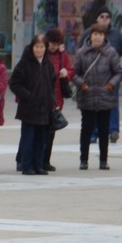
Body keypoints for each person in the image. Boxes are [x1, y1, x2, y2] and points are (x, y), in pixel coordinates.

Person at [72, 24, 122, 170]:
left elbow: (118, 72)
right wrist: (82, 85)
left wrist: (111, 85)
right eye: (95, 34)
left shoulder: (111, 52)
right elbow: (74, 73)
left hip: (105, 96)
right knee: (86, 129)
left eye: (101, 35)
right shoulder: (82, 52)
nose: (98, 37)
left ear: (104, 37)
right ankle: (84, 159)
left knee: (104, 130)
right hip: (87, 95)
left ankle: (103, 160)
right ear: (90, 36)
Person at [9, 35, 55, 175]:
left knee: (41, 139)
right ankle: (27, 165)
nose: (39, 50)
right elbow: (14, 83)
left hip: (44, 108)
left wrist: (51, 100)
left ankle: (39, 164)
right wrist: (28, 95)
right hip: (28, 108)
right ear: (32, 47)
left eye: (42, 47)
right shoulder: (24, 63)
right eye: (37, 47)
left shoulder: (48, 64)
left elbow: (52, 83)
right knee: (28, 138)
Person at [80, 6, 122, 144]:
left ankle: (113, 130)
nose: (105, 19)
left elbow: (120, 51)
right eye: (102, 17)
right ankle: (93, 132)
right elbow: (81, 53)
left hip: (110, 77)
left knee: (112, 103)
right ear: (97, 18)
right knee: (92, 106)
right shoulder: (88, 33)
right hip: (92, 77)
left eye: (107, 17)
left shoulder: (116, 34)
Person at [44, 28, 74, 172]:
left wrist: (66, 73)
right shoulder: (41, 52)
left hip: (57, 98)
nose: (54, 46)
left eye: (57, 44)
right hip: (41, 98)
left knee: (51, 131)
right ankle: (25, 158)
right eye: (52, 43)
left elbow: (71, 69)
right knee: (37, 131)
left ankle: (46, 160)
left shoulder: (63, 56)